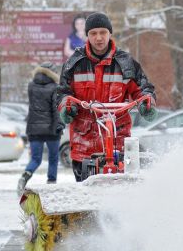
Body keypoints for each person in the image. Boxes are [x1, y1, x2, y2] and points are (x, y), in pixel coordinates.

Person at [57, 12, 157, 182]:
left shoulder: (125, 63)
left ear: (110, 33)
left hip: (119, 144)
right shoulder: (74, 63)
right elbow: (63, 92)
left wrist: (147, 103)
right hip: (84, 146)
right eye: (93, 33)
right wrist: (67, 106)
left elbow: (143, 89)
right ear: (87, 35)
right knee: (86, 196)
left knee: (120, 194)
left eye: (102, 32)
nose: (98, 38)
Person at [17, 62, 64, 195]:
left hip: (34, 128)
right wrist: (59, 125)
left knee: (36, 159)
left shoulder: (31, 86)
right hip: (51, 129)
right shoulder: (55, 87)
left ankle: (25, 176)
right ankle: (51, 183)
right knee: (53, 158)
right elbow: (56, 109)